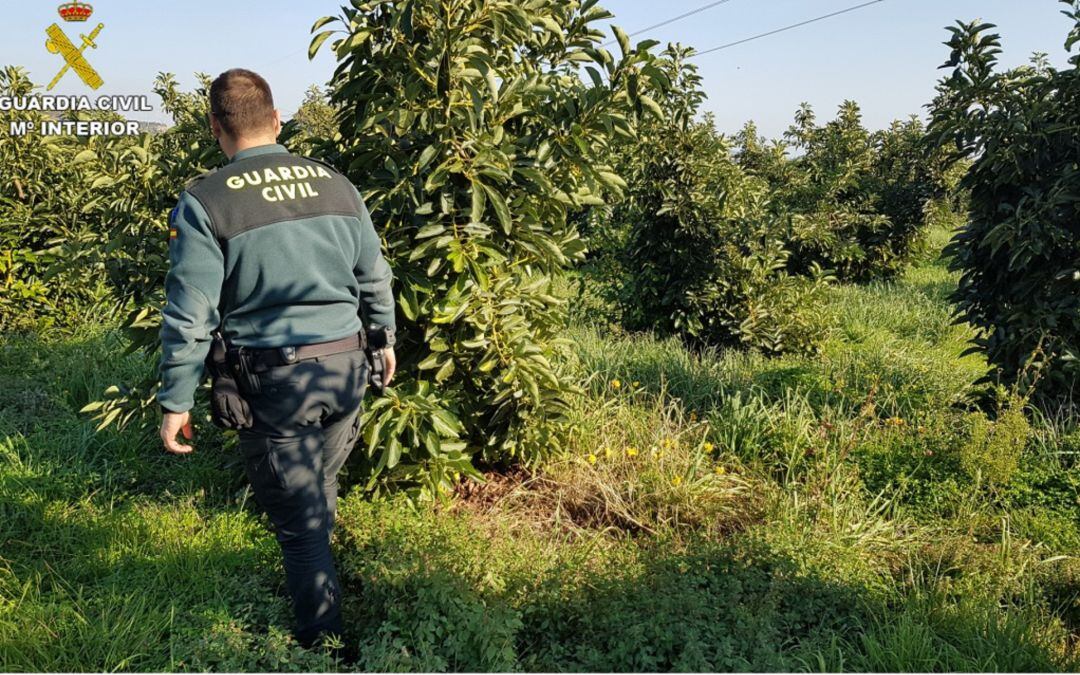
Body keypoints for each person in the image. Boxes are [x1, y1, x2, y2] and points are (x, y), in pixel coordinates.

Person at [156, 68, 397, 648]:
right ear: (278, 119)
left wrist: (174, 400)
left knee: (299, 524)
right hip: (347, 366)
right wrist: (384, 337)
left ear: (215, 126)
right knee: (318, 488)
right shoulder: (336, 184)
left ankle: (323, 647)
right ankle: (322, 579)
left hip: (275, 378)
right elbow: (374, 273)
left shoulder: (205, 200)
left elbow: (191, 315)